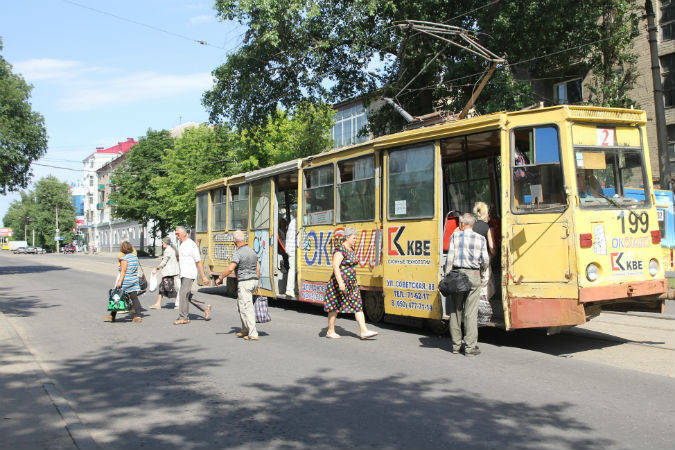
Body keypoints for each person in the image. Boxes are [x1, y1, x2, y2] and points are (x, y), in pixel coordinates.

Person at [443, 213, 489, 356]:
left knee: (456, 312)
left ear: (462, 224)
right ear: (473, 224)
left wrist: (447, 276)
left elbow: (450, 259)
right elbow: (485, 261)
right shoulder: (481, 239)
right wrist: (481, 274)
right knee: (471, 313)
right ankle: (470, 347)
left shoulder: (455, 237)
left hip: (457, 275)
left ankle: (456, 346)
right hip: (473, 275)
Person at [323, 227, 378, 340]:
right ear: (347, 237)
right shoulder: (340, 249)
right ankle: (330, 331)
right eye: (354, 238)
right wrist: (341, 283)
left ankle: (364, 331)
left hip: (351, 284)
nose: (355, 240)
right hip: (338, 284)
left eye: (356, 238)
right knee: (334, 307)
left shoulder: (351, 249)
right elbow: (335, 266)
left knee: (357, 305)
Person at [215, 230, 261, 341]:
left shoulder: (238, 252)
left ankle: (253, 333)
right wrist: (256, 281)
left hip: (245, 282)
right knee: (241, 305)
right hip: (254, 281)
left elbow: (231, 268)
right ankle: (245, 329)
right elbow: (257, 268)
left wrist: (220, 278)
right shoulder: (252, 251)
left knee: (247, 307)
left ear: (234, 240)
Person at [173, 226, 212, 325]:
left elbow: (198, 261)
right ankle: (205, 308)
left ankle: (183, 317)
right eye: (176, 234)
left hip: (189, 274)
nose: (177, 236)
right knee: (187, 295)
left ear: (184, 233)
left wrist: (203, 276)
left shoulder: (191, 245)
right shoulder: (182, 244)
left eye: (178, 234)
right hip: (183, 273)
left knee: (183, 294)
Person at [105, 241, 143, 323]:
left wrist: (119, 282)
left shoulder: (124, 258)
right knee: (134, 298)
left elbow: (123, 271)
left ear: (122, 249)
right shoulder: (134, 257)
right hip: (134, 279)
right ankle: (138, 315)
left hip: (126, 280)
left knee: (117, 297)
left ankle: (112, 316)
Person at [149, 236, 179, 309]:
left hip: (169, 272)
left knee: (170, 288)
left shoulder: (168, 250)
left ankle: (179, 303)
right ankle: (158, 304)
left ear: (165, 242)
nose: (162, 244)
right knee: (162, 287)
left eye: (162, 242)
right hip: (169, 272)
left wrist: (156, 268)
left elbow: (164, 262)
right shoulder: (171, 249)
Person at [284, 213, 297, 297]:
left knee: (294, 269)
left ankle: (293, 288)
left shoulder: (293, 221)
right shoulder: (296, 222)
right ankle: (289, 289)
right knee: (293, 269)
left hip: (291, 248)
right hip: (292, 249)